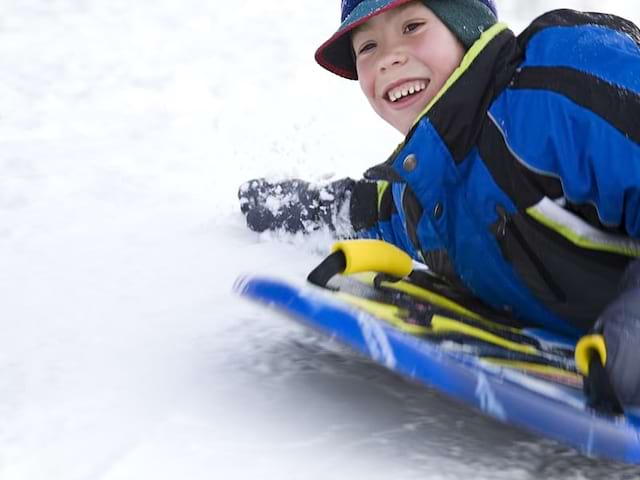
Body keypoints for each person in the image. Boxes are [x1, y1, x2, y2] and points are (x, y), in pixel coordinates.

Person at [238, 0, 640, 409]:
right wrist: (304, 207)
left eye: (412, 26)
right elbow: (376, 213)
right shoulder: (428, 187)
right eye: (367, 47)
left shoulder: (559, 86)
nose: (389, 58)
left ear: (465, 25)